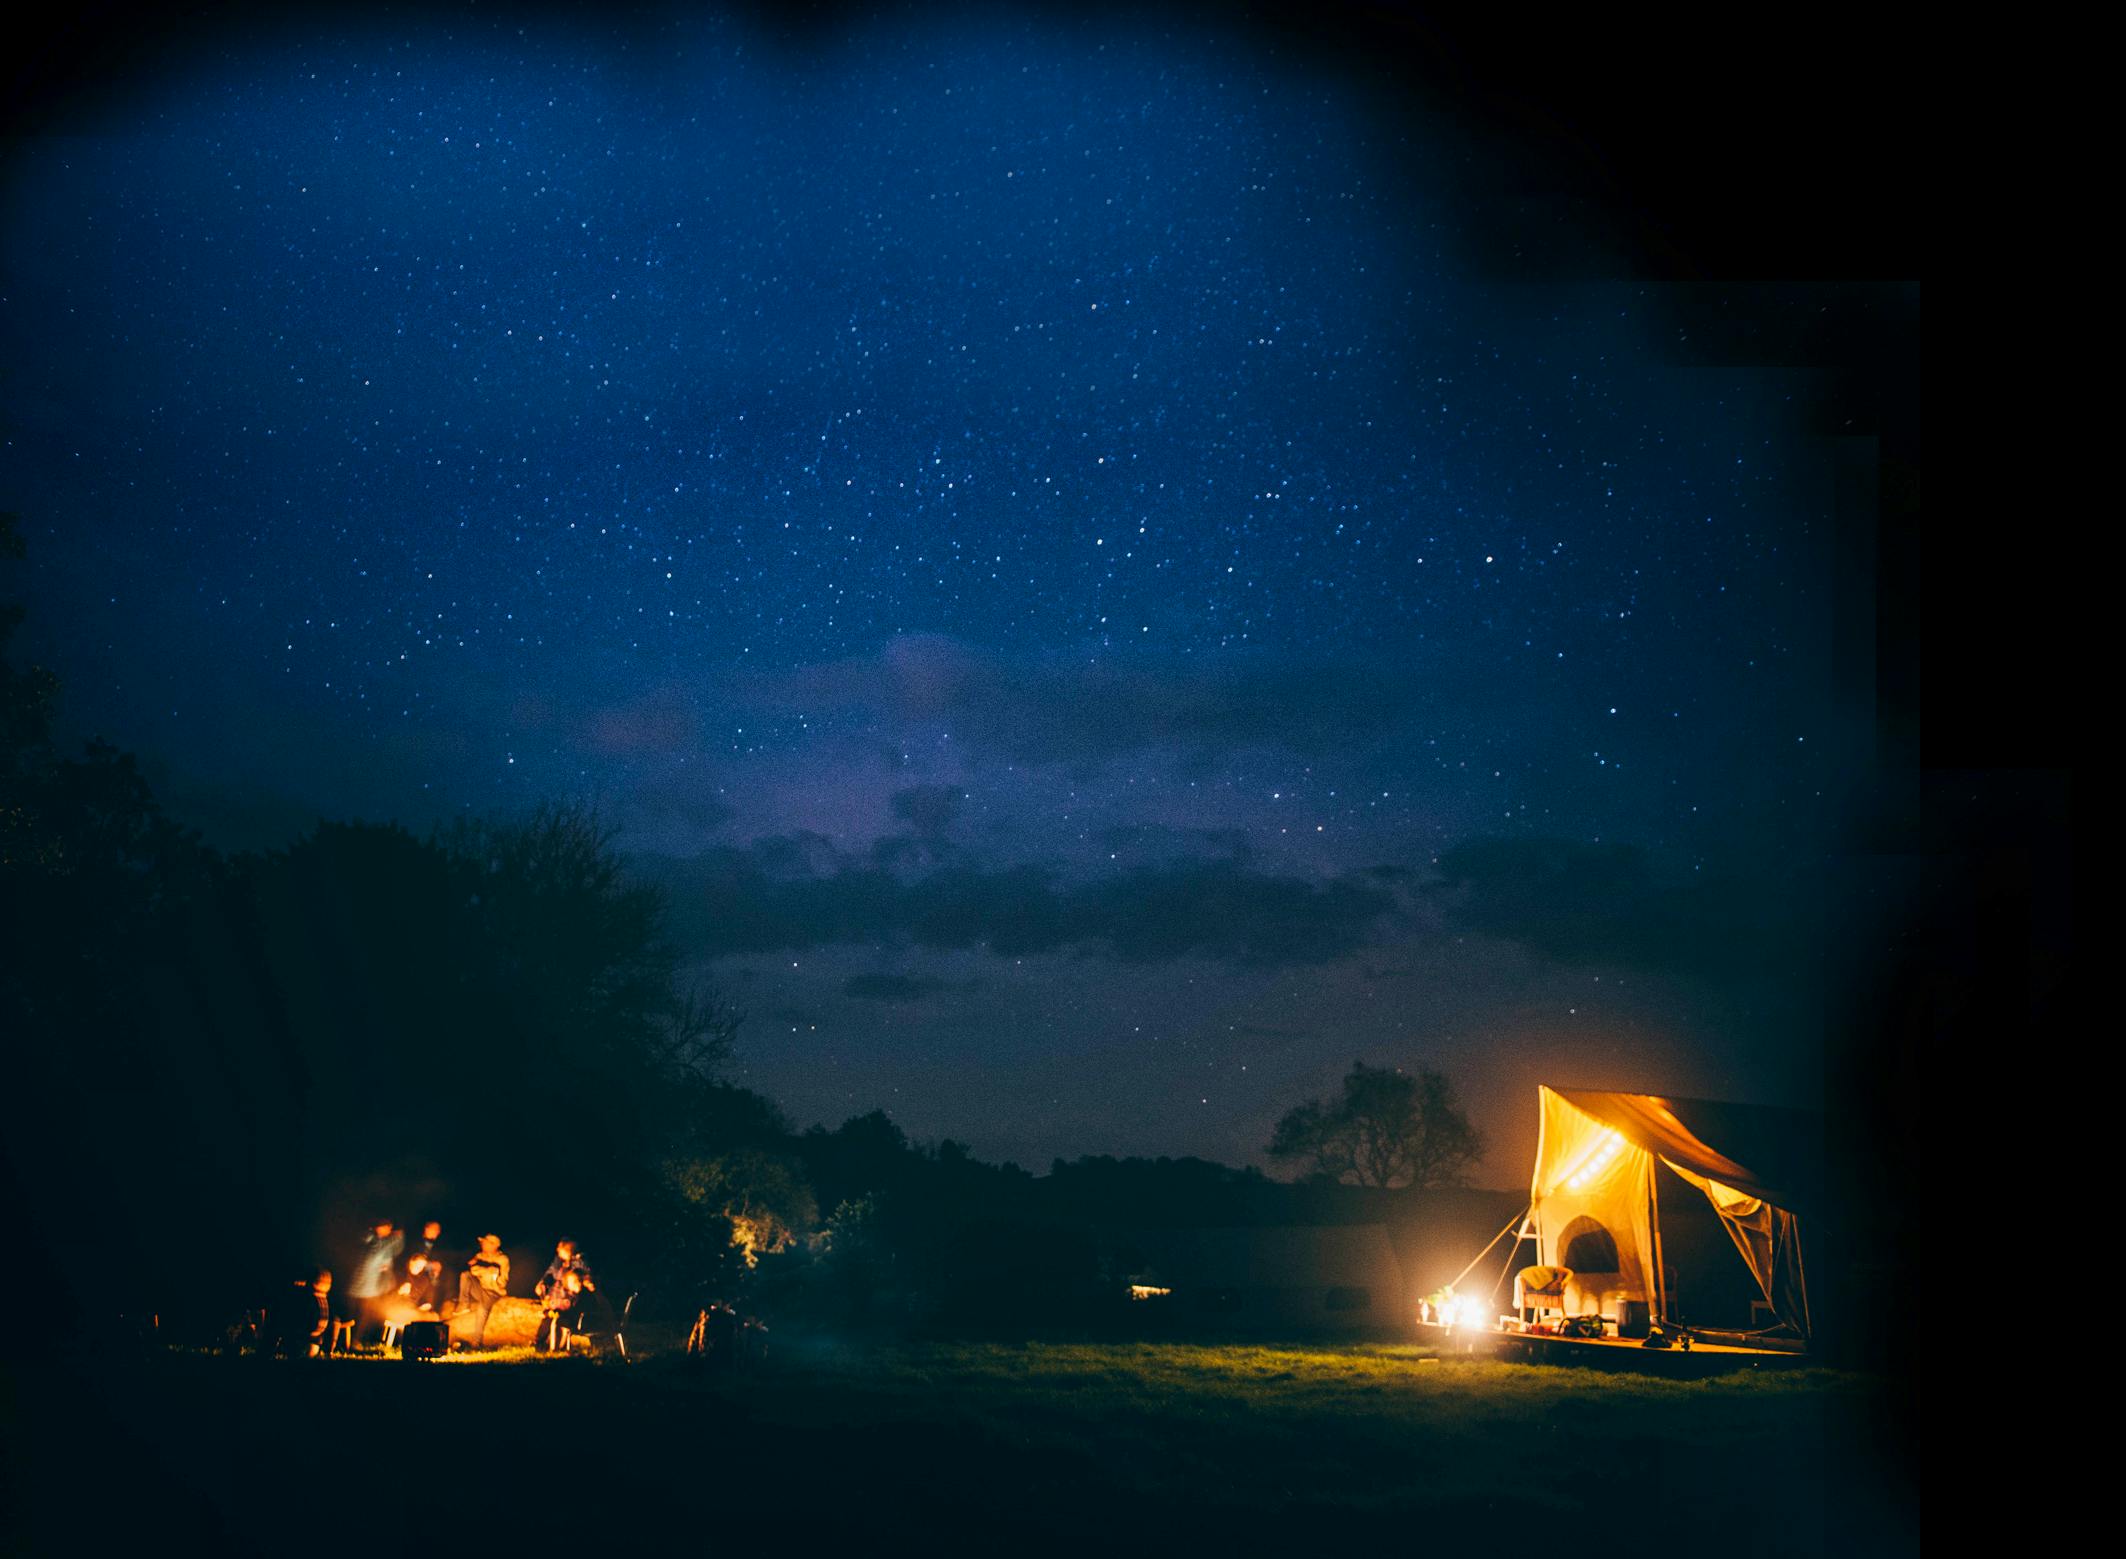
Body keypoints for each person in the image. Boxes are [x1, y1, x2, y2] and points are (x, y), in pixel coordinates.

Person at [348, 1220, 403, 1344]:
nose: (389, 1231)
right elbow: (386, 1248)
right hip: (363, 1287)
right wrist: (398, 1236)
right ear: (379, 1228)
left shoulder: (377, 1242)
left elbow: (393, 1252)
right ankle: (352, 1341)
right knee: (357, 1316)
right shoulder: (373, 1241)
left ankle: (358, 1340)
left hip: (370, 1288)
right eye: (387, 1228)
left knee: (365, 1317)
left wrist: (386, 1267)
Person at [455, 1233, 510, 1347]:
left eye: (484, 1242)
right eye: (482, 1242)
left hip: (493, 1292)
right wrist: (486, 1270)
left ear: (493, 1245)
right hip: (480, 1289)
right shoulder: (479, 1256)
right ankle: (464, 1304)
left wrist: (486, 1272)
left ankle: (477, 1341)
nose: (482, 1244)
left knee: (482, 1309)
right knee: (465, 1275)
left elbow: (503, 1280)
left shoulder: (502, 1259)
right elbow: (471, 1269)